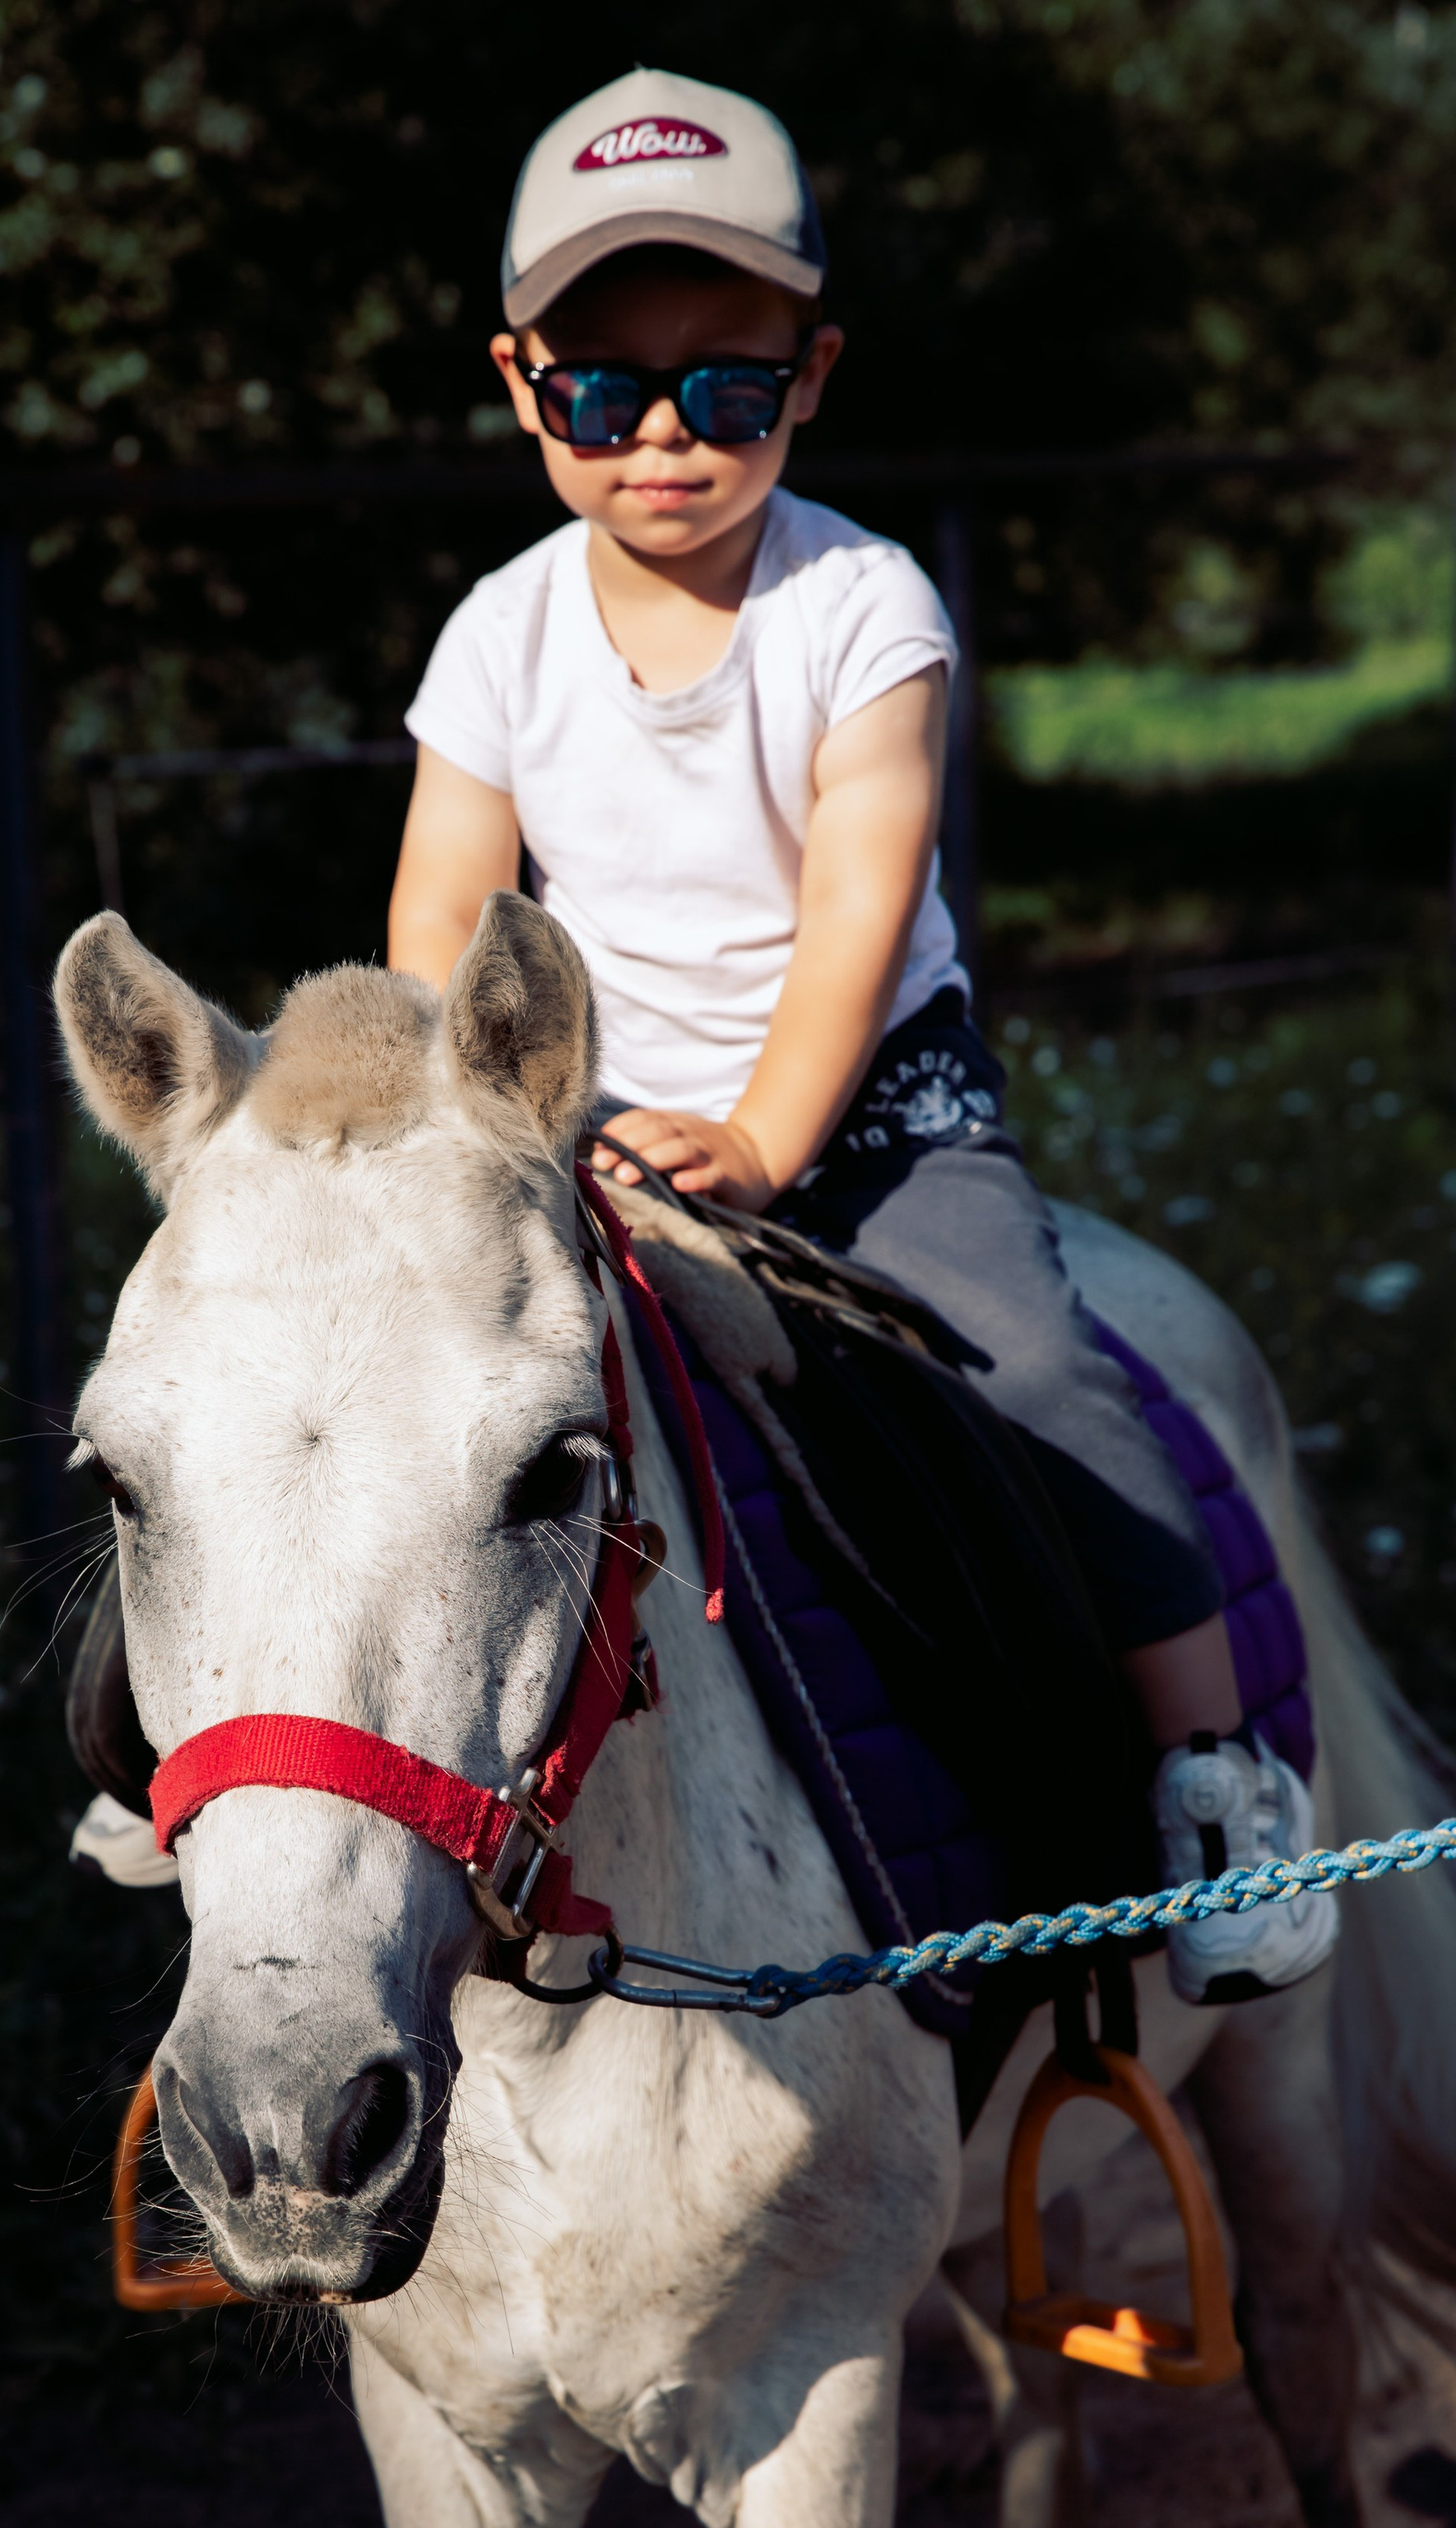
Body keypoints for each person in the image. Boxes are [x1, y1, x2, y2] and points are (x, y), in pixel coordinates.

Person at [388, 66, 1331, 2003]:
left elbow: (856, 903)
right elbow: (440, 912)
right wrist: (451, 1119)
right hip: (603, 1134)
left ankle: (1215, 1782)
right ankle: (295, 1768)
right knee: (411, 1415)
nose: (663, 433)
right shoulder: (496, 632)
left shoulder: (857, 605)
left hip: (873, 1115)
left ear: (806, 380)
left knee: (1040, 1383)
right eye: (601, 387)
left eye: (724, 385)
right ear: (518, 386)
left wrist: (764, 1135)